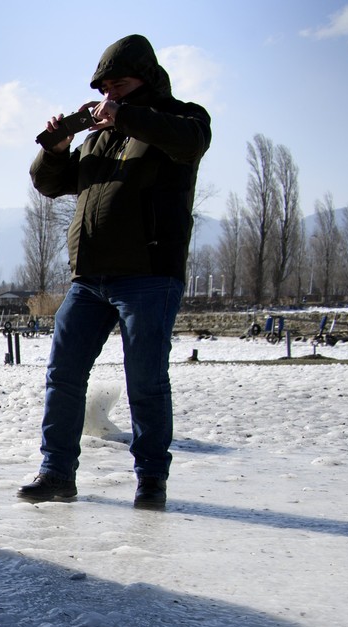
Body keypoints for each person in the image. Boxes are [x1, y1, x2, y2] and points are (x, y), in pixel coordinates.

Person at [19, 34, 211, 510]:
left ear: (144, 79)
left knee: (145, 379)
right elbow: (49, 183)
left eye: (118, 86)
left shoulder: (183, 118)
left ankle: (150, 482)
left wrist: (125, 116)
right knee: (63, 375)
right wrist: (59, 147)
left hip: (148, 275)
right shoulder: (98, 137)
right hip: (88, 279)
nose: (109, 97)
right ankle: (57, 473)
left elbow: (190, 143)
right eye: (104, 89)